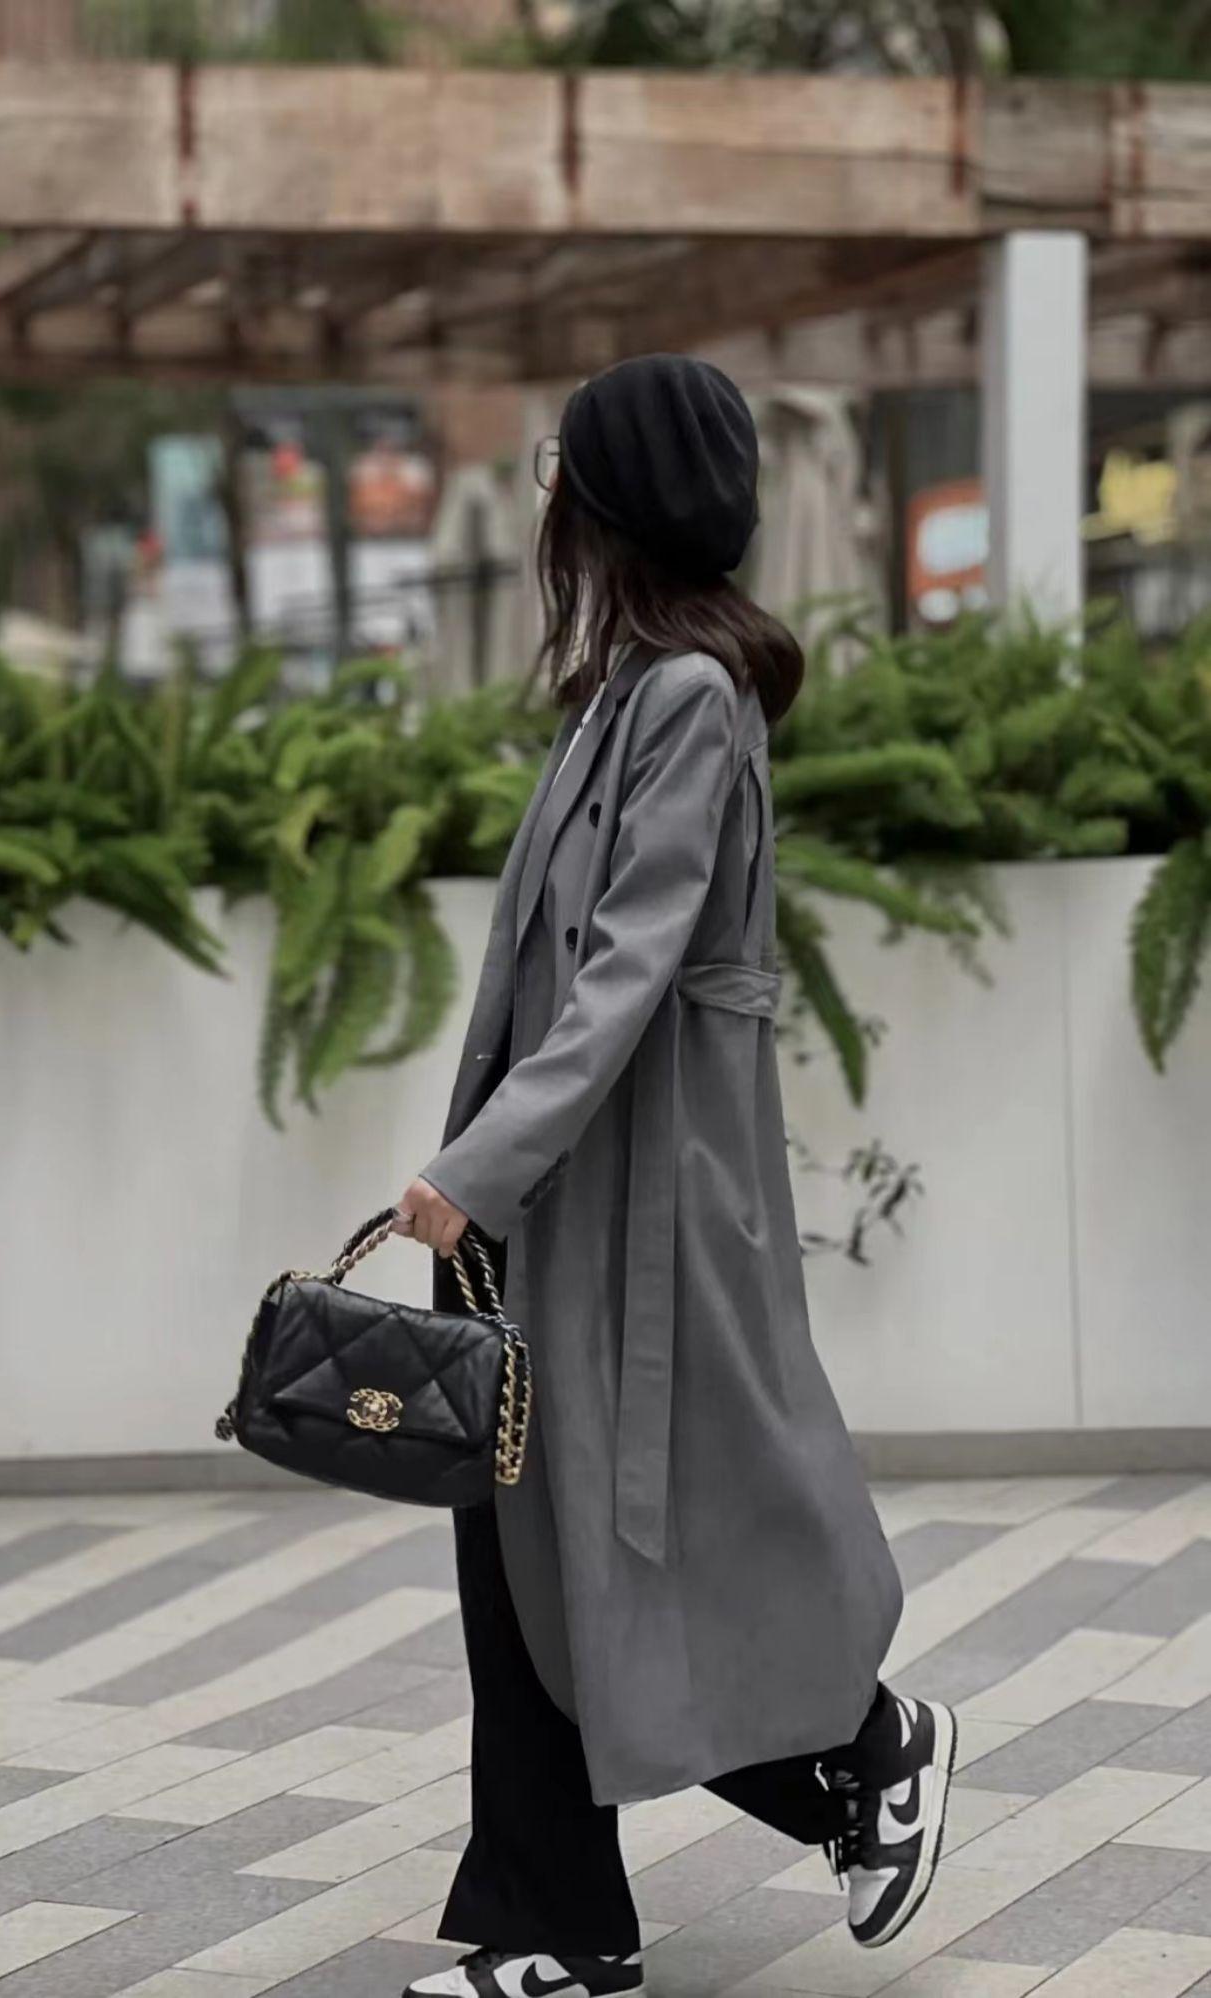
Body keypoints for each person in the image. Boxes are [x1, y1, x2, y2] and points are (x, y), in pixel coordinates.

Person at [389, 355, 953, 1998]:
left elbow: (627, 975)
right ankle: (568, 1915)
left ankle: (860, 1747)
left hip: (637, 1202)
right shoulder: (625, 692)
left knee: (626, 1548)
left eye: (564, 468)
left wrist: (478, 1165)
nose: (546, 494)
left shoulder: (690, 700)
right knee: (528, 1558)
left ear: (613, 502)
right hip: (556, 1198)